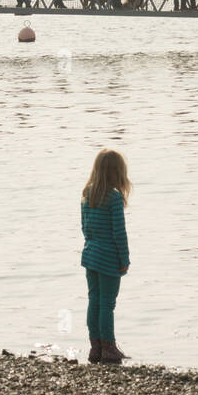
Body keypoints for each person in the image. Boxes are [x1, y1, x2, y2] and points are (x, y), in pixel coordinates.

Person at [80, 149, 132, 365]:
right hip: (109, 257)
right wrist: (124, 258)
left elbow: (85, 227)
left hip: (90, 254)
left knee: (94, 300)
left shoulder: (87, 194)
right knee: (107, 304)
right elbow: (119, 232)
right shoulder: (114, 198)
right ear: (118, 173)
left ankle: (96, 347)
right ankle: (109, 347)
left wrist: (92, 246)